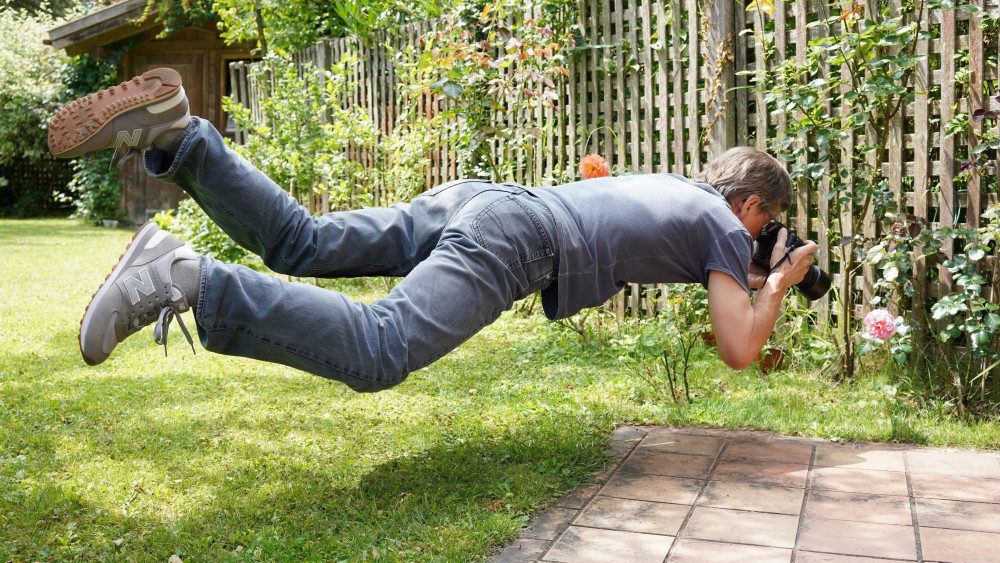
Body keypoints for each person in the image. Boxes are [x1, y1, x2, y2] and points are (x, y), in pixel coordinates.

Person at [49, 68, 818, 393]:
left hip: (484, 201)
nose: (762, 235)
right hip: (520, 239)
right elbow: (738, 348)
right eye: (767, 222)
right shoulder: (721, 226)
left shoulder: (679, 192)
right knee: (379, 347)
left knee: (303, 240)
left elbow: (666, 249)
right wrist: (780, 281)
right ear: (750, 206)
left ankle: (179, 135)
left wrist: (756, 273)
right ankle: (187, 278)